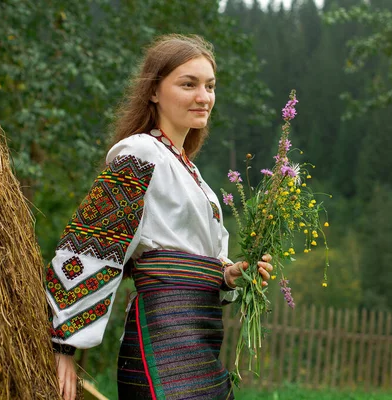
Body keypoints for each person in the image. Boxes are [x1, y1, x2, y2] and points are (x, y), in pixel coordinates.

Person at [46, 34, 273, 400]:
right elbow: (93, 245)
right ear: (154, 91)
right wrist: (63, 347)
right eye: (189, 84)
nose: (204, 97)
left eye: (210, 86)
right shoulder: (140, 154)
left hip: (203, 340)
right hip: (161, 338)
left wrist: (229, 274)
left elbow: (196, 257)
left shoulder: (195, 177)